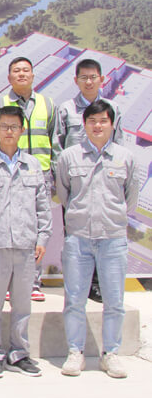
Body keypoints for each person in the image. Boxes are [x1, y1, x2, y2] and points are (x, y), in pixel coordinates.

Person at [57, 100, 139, 379]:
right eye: (92, 121)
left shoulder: (125, 157)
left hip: (113, 239)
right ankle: (75, 352)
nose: (97, 125)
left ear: (112, 124)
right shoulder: (69, 157)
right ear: (85, 124)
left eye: (103, 120)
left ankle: (110, 354)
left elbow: (130, 199)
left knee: (114, 301)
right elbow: (64, 194)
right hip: (78, 239)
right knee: (74, 300)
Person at [0, 106, 52, 378]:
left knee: (22, 305)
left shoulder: (33, 165)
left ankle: (19, 353)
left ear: (22, 130)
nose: (9, 131)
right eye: (4, 126)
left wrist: (42, 237)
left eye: (14, 127)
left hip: (27, 246)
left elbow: (43, 206)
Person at [53, 58, 124, 304]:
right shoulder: (66, 109)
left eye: (93, 77)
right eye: (84, 77)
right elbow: (58, 146)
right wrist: (63, 183)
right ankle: (77, 284)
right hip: (76, 184)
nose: (89, 81)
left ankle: (98, 284)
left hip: (106, 183)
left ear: (102, 79)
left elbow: (119, 145)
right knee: (74, 236)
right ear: (76, 80)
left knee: (104, 234)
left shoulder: (113, 108)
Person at [0, 56, 56, 302]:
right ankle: (9, 283)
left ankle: (33, 282)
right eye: (16, 71)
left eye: (25, 70)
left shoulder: (47, 104)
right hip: (7, 170)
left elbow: (55, 139)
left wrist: (54, 174)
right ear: (9, 77)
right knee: (7, 224)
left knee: (36, 226)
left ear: (33, 75)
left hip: (39, 172)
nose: (21, 74)